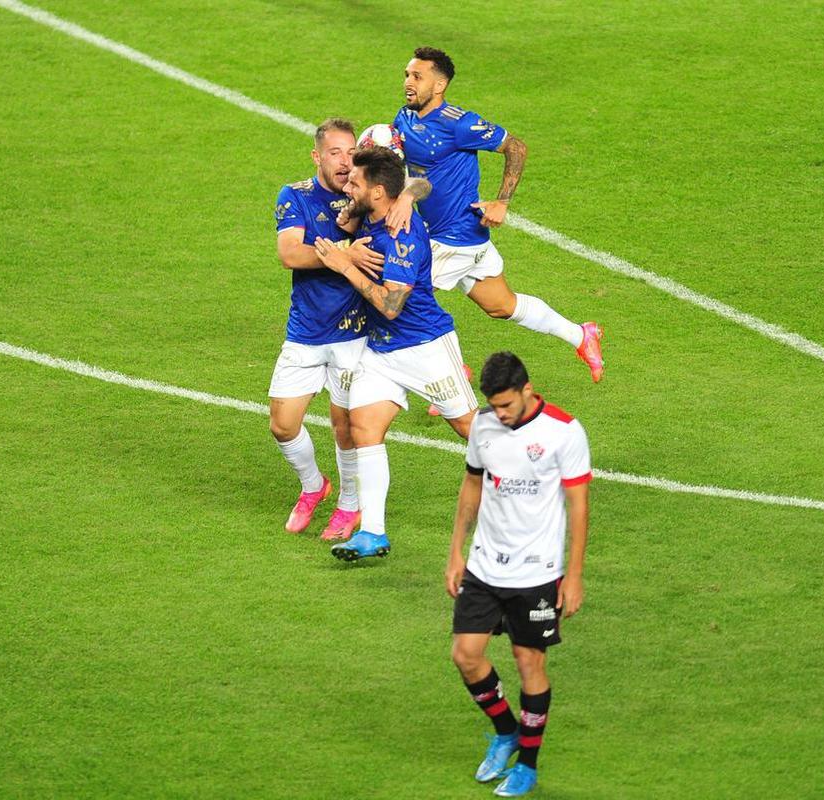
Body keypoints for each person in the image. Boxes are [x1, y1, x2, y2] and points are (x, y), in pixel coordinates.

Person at [388, 47, 606, 384]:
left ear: (440, 84)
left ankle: (450, 370)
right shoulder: (405, 117)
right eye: (406, 75)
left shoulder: (460, 123)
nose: (408, 82)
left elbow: (516, 147)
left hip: (455, 237)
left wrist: (502, 201)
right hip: (444, 234)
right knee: (502, 305)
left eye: (417, 76)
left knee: (400, 299)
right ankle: (581, 335)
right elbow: (410, 165)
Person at [313, 147, 476, 561]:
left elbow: (390, 306)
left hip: (425, 347)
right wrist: (402, 195)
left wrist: (344, 265)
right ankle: (372, 533)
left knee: (470, 429)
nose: (347, 185)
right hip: (381, 351)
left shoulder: (401, 236)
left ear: (380, 192)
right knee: (364, 426)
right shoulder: (374, 210)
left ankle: (528, 474)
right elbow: (417, 184)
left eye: (355, 183)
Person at [445, 351, 592, 797]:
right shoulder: (485, 426)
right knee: (466, 656)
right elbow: (472, 482)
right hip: (486, 564)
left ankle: (527, 764)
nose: (501, 414)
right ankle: (505, 731)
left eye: (507, 405)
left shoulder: (564, 432)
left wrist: (575, 575)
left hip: (538, 571)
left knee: (530, 662)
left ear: (528, 389)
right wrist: (456, 552)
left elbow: (578, 505)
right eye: (494, 405)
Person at [269, 118, 384, 540]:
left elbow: (418, 188)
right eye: (335, 152)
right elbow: (290, 254)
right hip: (305, 331)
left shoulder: (367, 196)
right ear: (317, 156)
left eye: (351, 152)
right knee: (283, 424)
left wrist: (409, 197)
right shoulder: (295, 196)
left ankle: (349, 506)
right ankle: (314, 486)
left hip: (354, 335)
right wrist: (343, 254)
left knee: (346, 427)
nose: (344, 161)